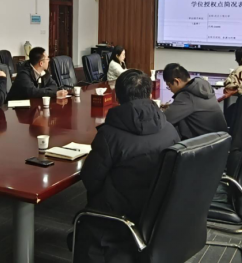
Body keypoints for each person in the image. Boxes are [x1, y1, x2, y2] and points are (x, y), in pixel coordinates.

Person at [74, 70, 180, 262]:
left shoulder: (109, 135)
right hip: (158, 214)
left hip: (118, 216)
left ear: (117, 97)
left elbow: (90, 180)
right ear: (149, 94)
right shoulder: (170, 129)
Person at [162, 63, 227, 140]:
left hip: (206, 143)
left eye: (169, 86)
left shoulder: (186, 96)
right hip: (221, 140)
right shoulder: (202, 85)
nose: (170, 90)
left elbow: (164, 120)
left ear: (177, 81)